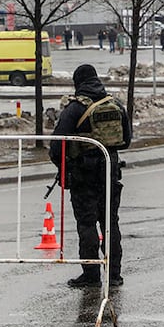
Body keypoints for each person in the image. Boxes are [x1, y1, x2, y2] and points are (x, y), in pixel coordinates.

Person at [49, 64, 131, 288]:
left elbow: (56, 146)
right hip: (110, 171)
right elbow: (126, 140)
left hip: (84, 175)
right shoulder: (115, 105)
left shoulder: (75, 109)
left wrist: (65, 166)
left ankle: (92, 275)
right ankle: (114, 275)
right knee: (110, 223)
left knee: (87, 224)